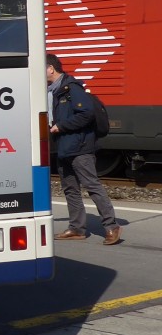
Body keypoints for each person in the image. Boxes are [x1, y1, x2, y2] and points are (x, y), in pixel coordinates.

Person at [47, 53, 121, 245]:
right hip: (63, 147)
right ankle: (76, 228)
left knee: (92, 186)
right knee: (70, 189)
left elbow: (86, 114)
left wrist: (62, 126)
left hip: (80, 147)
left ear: (50, 69)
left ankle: (111, 226)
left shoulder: (71, 89)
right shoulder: (53, 91)